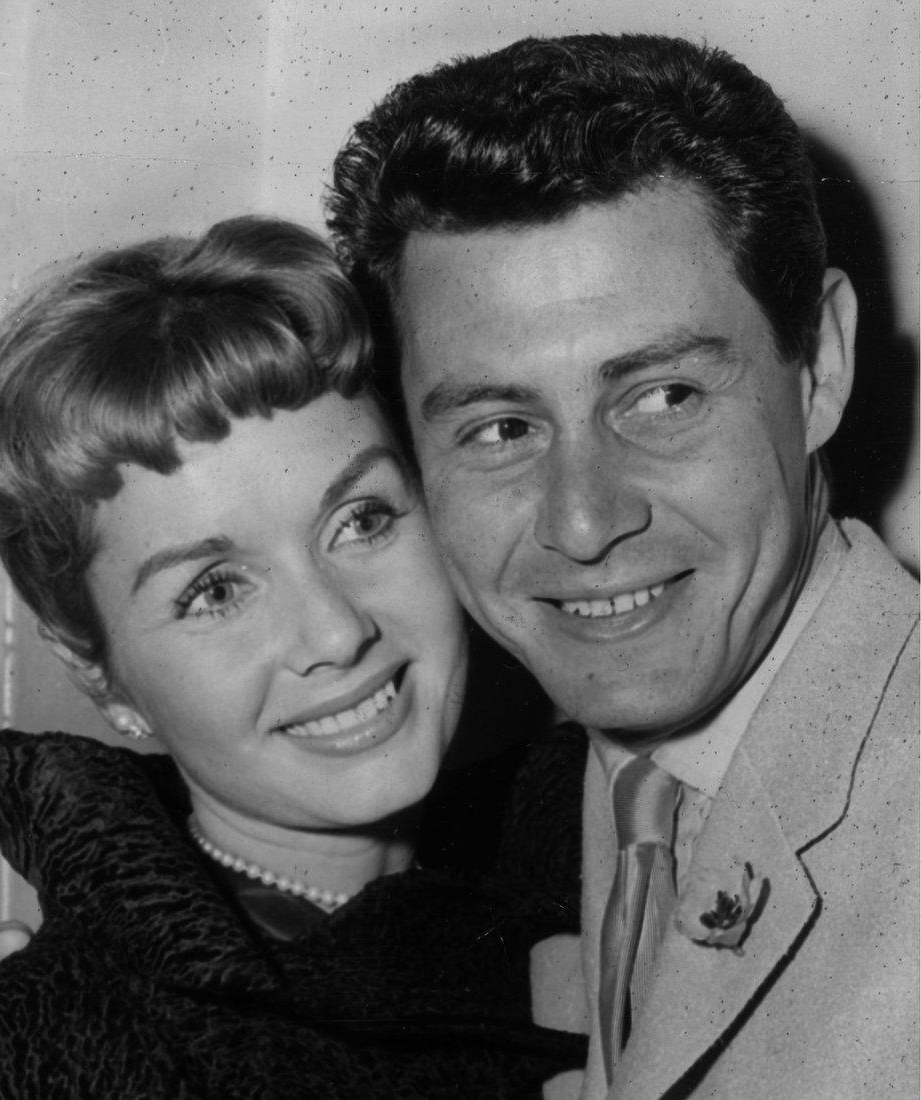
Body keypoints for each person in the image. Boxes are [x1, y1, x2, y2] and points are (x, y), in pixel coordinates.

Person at [326, 32, 920, 1100]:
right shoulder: (579, 792)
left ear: (820, 365)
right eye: (499, 427)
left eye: (664, 398)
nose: (584, 521)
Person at [0, 215, 585, 1097]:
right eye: (215, 590)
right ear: (100, 673)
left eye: (359, 521)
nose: (336, 632)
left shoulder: (594, 857)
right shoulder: (57, 1050)